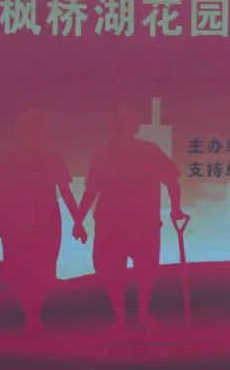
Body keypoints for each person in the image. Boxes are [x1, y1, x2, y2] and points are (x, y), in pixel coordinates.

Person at [73, 108, 188, 328]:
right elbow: (91, 191)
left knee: (140, 270)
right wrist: (78, 221)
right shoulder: (114, 154)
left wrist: (176, 209)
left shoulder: (146, 152)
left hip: (136, 223)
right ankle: (127, 316)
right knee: (121, 270)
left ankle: (135, 314)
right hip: (118, 223)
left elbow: (172, 181)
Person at [0, 108, 81, 331]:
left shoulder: (53, 157)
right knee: (18, 269)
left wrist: (78, 221)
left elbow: (65, 191)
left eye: (41, 127)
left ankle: (36, 316)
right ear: (22, 129)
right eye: (34, 126)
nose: (38, 131)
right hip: (16, 222)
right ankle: (26, 316)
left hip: (47, 222)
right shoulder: (9, 159)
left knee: (44, 269)